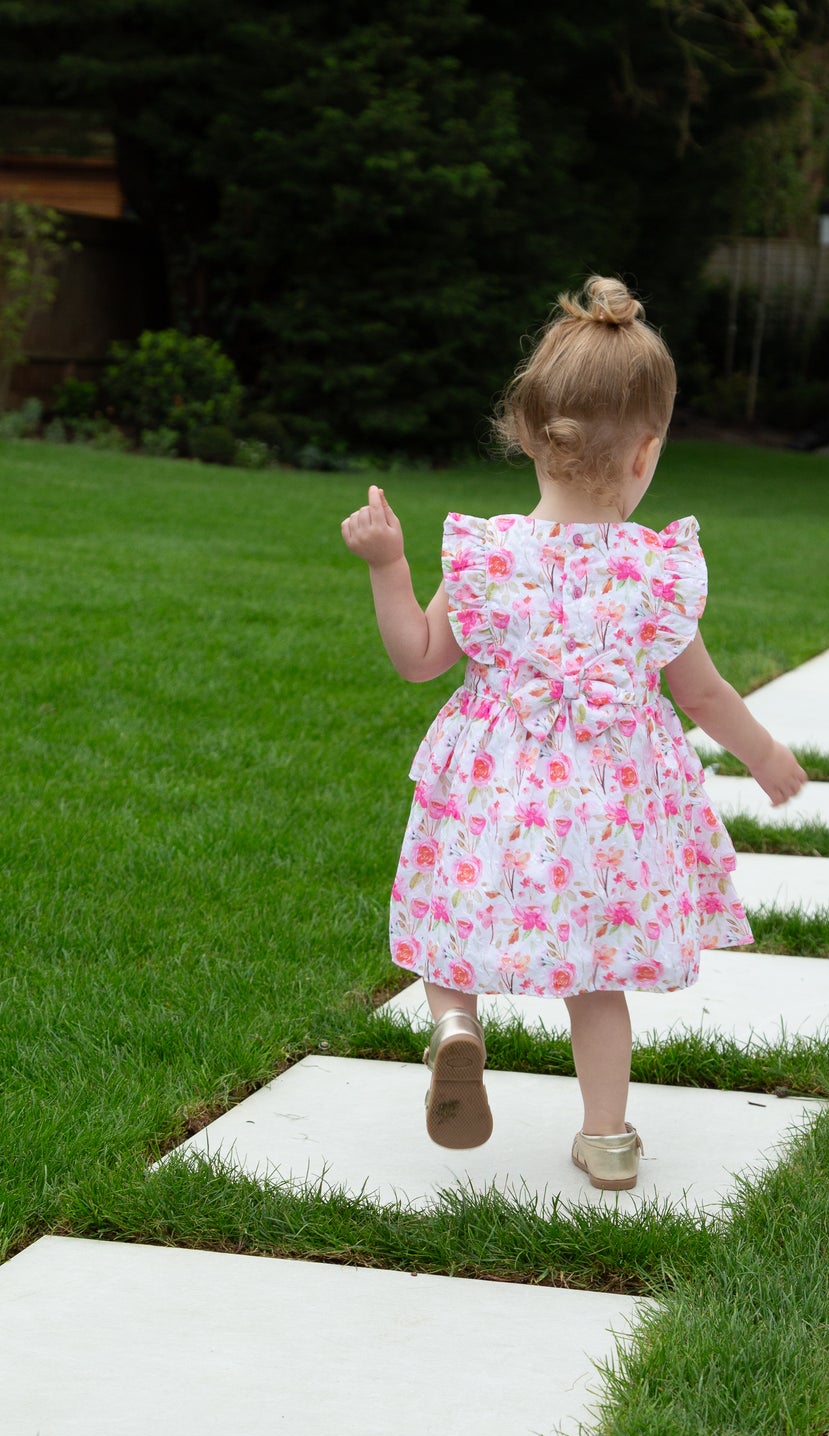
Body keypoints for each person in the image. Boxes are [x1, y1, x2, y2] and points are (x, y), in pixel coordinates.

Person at [341, 275, 805, 1190]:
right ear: (646, 455)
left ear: (525, 432)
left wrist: (388, 566)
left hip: (492, 787)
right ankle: (607, 1138)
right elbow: (703, 694)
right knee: (596, 978)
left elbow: (420, 656)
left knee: (449, 924)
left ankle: (455, 1025)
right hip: (608, 811)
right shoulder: (653, 571)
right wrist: (766, 756)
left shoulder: (488, 554)